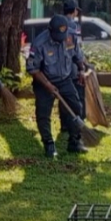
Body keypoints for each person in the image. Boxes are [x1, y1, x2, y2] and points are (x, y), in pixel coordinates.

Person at [26, 15, 88, 158]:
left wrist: (81, 70)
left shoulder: (71, 36)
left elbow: (78, 56)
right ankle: (49, 144)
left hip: (65, 79)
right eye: (58, 36)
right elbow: (33, 69)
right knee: (43, 114)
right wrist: (48, 85)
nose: (61, 39)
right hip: (43, 81)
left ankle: (74, 141)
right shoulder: (39, 43)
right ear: (50, 31)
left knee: (76, 107)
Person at [60, 0, 90, 134]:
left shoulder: (58, 23)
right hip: (73, 66)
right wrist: (82, 65)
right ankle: (78, 121)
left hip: (61, 68)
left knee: (63, 96)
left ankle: (64, 124)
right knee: (77, 94)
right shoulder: (73, 25)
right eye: (77, 10)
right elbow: (76, 48)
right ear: (74, 11)